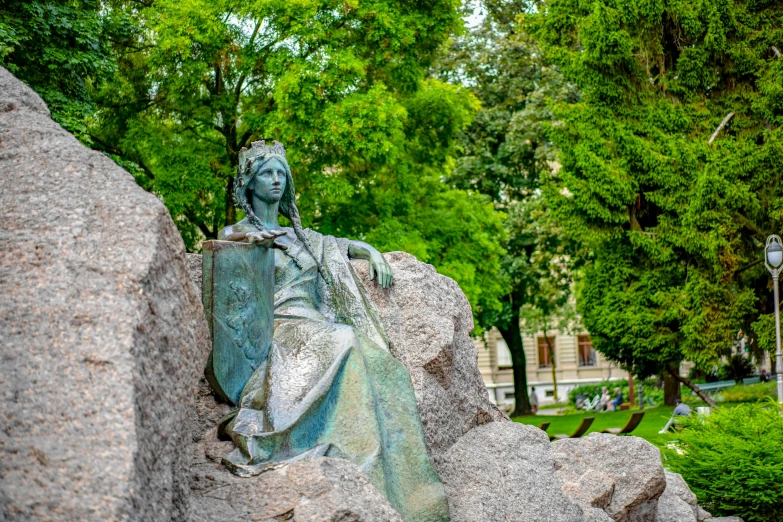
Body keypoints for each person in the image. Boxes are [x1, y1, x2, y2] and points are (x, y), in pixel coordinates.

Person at [214, 141, 449, 522]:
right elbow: (226, 269)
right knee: (345, 341)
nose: (275, 181)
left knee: (388, 370)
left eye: (281, 174)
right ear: (249, 183)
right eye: (266, 173)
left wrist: (370, 251)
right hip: (282, 331)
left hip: (317, 327)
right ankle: (358, 461)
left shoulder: (303, 237)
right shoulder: (237, 234)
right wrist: (248, 244)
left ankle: (407, 492)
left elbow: (338, 246)